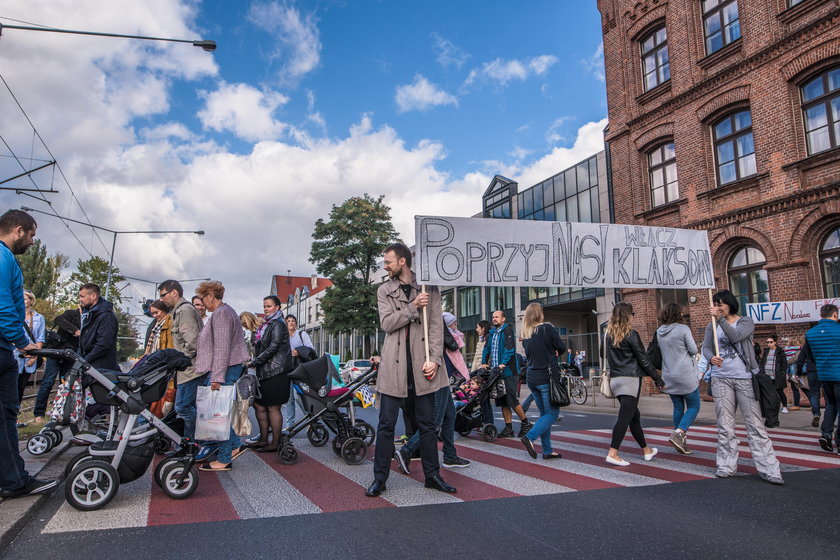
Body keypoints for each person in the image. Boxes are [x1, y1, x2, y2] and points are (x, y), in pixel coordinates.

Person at [365, 242, 456, 497]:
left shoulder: (430, 287)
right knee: (386, 425)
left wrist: (436, 359)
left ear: (402, 261)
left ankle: (433, 476)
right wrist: (413, 306)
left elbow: (436, 328)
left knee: (427, 425)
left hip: (423, 366)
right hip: (394, 367)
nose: (385, 266)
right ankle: (379, 479)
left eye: (388, 262)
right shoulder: (384, 290)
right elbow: (387, 323)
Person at [0, 209, 56, 498]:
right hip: (3, 347)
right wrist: (24, 342)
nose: (33, 242)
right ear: (19, 230)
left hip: (5, 348)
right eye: (32, 235)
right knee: (5, 414)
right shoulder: (3, 257)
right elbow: (4, 308)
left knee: (7, 414)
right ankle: (13, 480)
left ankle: (12, 478)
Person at [702, 290, 783, 484]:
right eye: (716, 304)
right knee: (725, 424)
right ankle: (726, 465)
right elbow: (705, 347)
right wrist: (710, 358)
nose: (718, 307)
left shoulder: (745, 321)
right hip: (721, 378)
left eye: (721, 304)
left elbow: (737, 336)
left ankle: (770, 469)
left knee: (754, 424)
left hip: (744, 378)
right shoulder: (711, 325)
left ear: (730, 304)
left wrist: (720, 319)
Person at [397, 312, 471, 472]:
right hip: (438, 375)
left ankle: (450, 455)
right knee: (435, 421)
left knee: (449, 416)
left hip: (442, 375)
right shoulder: (435, 322)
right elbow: (451, 345)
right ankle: (406, 451)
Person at [193, 280, 250, 472]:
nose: (203, 303)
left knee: (219, 415)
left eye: (203, 298)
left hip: (225, 369)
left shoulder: (222, 314)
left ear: (211, 296)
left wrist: (217, 376)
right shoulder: (225, 312)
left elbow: (222, 348)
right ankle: (234, 446)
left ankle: (224, 459)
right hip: (228, 368)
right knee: (221, 412)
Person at [604, 302, 664, 467]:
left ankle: (646, 450)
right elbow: (643, 360)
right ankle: (613, 453)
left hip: (615, 380)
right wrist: (657, 378)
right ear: (627, 316)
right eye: (632, 314)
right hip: (629, 380)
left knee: (633, 417)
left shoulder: (608, 335)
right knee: (624, 418)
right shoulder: (631, 334)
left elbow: (606, 358)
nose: (633, 316)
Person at [246, 296, 294, 452]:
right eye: (264, 306)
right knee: (259, 405)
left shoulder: (278, 324)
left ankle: (275, 443)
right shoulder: (266, 325)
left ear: (278, 308)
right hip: (265, 372)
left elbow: (273, 348)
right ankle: (263, 439)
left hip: (277, 371)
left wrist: (255, 362)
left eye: (269, 306)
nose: (265, 309)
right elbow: (258, 345)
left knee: (273, 407)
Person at [519, 303, 566, 460]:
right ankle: (530, 437)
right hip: (546, 377)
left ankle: (547, 450)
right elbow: (562, 347)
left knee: (544, 414)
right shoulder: (547, 328)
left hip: (532, 377)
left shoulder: (526, 332)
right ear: (540, 314)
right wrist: (555, 350)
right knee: (552, 414)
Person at [158, 280, 204, 440]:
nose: (162, 299)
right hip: (186, 369)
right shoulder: (178, 311)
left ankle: (192, 442)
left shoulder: (184, 310)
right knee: (186, 406)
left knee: (183, 407)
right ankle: (191, 441)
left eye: (163, 295)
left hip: (190, 370)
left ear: (174, 293)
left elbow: (192, 343)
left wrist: (177, 360)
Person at [656, 302, 700, 455]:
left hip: (669, 375)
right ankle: (679, 432)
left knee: (678, 407)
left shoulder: (659, 331)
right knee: (694, 406)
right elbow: (693, 349)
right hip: (685, 374)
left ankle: (680, 441)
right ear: (678, 314)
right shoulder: (683, 329)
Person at [481, 310, 532, 438]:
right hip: (496, 372)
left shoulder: (507, 331)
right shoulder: (491, 333)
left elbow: (510, 350)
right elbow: (486, 348)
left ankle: (526, 423)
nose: (494, 319)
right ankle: (508, 428)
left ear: (503, 319)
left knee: (512, 400)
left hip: (509, 371)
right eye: (493, 317)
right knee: (502, 400)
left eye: (497, 317)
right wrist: (483, 362)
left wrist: (503, 364)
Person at [33, 307, 80, 423]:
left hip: (71, 355)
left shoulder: (89, 320)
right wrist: (75, 331)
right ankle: (39, 414)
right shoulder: (71, 314)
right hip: (56, 352)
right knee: (48, 381)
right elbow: (58, 319)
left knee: (66, 384)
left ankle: (62, 411)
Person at [804, 304, 840, 454]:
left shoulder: (810, 333)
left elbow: (810, 357)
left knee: (831, 404)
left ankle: (826, 434)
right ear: (835, 315)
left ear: (821, 315)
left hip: (824, 375)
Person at [145, 300, 176, 418]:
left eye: (156, 312)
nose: (155, 316)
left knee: (163, 399)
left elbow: (169, 346)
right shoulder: (156, 325)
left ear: (163, 310)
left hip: (163, 366)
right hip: (157, 365)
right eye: (153, 314)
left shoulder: (168, 323)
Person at [78, 283, 118, 371]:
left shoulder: (106, 316)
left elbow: (104, 344)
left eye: (82, 296)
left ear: (93, 296)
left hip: (100, 368)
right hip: (92, 366)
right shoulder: (90, 314)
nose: (80, 299)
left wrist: (84, 361)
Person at [16, 291, 45, 405]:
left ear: (31, 301)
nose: (22, 301)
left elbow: (40, 338)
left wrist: (35, 355)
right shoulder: (14, 315)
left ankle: (15, 415)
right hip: (15, 355)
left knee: (21, 387)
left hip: (30, 357)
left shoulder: (39, 318)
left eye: (25, 299)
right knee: (10, 386)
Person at [283, 314, 311, 429]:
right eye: (288, 321)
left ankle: (310, 419)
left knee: (298, 396)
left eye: (293, 321)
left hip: (299, 369)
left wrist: (299, 352)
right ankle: (290, 424)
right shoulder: (283, 336)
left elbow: (311, 349)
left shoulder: (301, 334)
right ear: (285, 323)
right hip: (286, 369)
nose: (291, 323)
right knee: (289, 399)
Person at [760, 335, 789, 414]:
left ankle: (785, 406)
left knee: (780, 391)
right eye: (768, 342)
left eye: (771, 342)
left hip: (777, 375)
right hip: (767, 375)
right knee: (770, 392)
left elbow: (784, 363)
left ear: (775, 342)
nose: (769, 343)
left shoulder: (780, 351)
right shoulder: (766, 351)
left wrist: (782, 372)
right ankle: (772, 407)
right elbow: (763, 362)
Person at [796, 339, 822, 428]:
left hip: (812, 371)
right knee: (828, 394)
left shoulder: (809, 343)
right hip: (824, 370)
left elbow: (800, 359)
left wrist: (798, 372)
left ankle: (816, 414)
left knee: (814, 393)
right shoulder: (825, 341)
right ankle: (830, 417)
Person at [443, 312, 469, 383]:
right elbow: (453, 346)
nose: (456, 324)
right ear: (449, 324)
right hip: (449, 358)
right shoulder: (449, 333)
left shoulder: (454, 332)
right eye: (454, 323)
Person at [783, 337, 807, 411]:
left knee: (801, 388)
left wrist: (786, 362)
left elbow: (796, 358)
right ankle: (797, 404)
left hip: (796, 372)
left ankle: (797, 405)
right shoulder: (798, 349)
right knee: (797, 388)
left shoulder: (799, 349)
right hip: (795, 372)